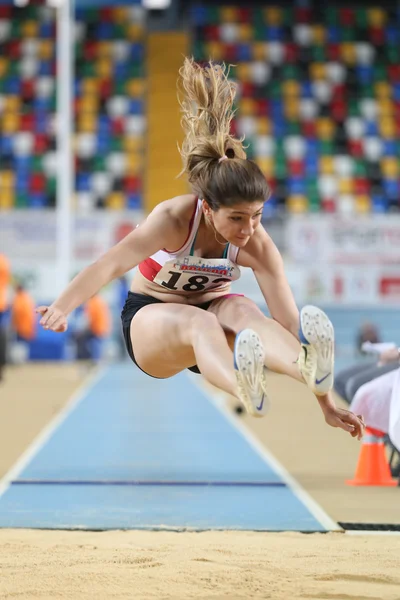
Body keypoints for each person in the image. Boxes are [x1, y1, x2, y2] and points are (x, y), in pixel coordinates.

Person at [36, 59, 364, 440]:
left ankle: (304, 367)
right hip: (152, 322)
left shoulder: (257, 243)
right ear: (208, 208)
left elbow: (288, 323)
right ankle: (244, 384)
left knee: (244, 309)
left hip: (214, 315)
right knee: (200, 322)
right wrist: (62, 306)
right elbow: (110, 264)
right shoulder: (173, 220)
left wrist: (325, 403)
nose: (249, 229)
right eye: (237, 219)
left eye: (257, 216)